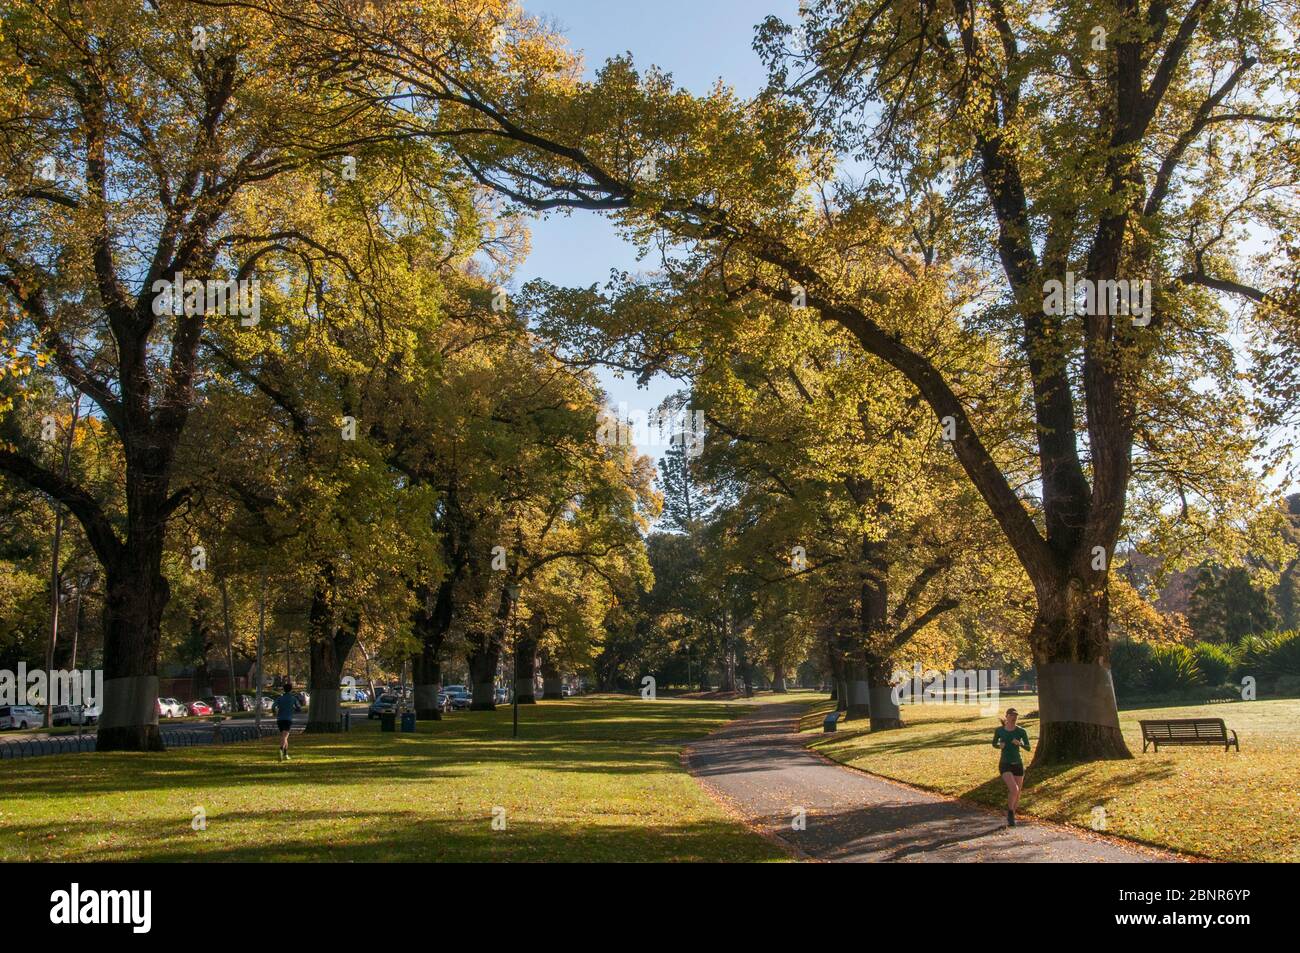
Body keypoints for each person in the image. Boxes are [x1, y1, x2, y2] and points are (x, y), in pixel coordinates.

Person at [992, 707, 1030, 826]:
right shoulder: (999, 730)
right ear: (1007, 716)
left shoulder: (1021, 731)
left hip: (1018, 763)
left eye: (1016, 716)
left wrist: (1020, 744)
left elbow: (1028, 748)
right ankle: (1010, 813)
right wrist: (999, 746)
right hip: (1005, 764)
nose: (1014, 718)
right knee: (1014, 789)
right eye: (1012, 715)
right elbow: (994, 743)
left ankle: (1012, 816)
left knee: (1017, 793)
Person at [273, 681, 297, 761]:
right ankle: (280, 750)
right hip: (288, 719)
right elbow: (298, 707)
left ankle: (286, 754)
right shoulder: (293, 698)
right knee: (285, 736)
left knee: (284, 737)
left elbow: (273, 706)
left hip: (280, 719)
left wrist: (274, 712)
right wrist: (294, 709)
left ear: (284, 690)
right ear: (291, 690)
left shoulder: (280, 698)